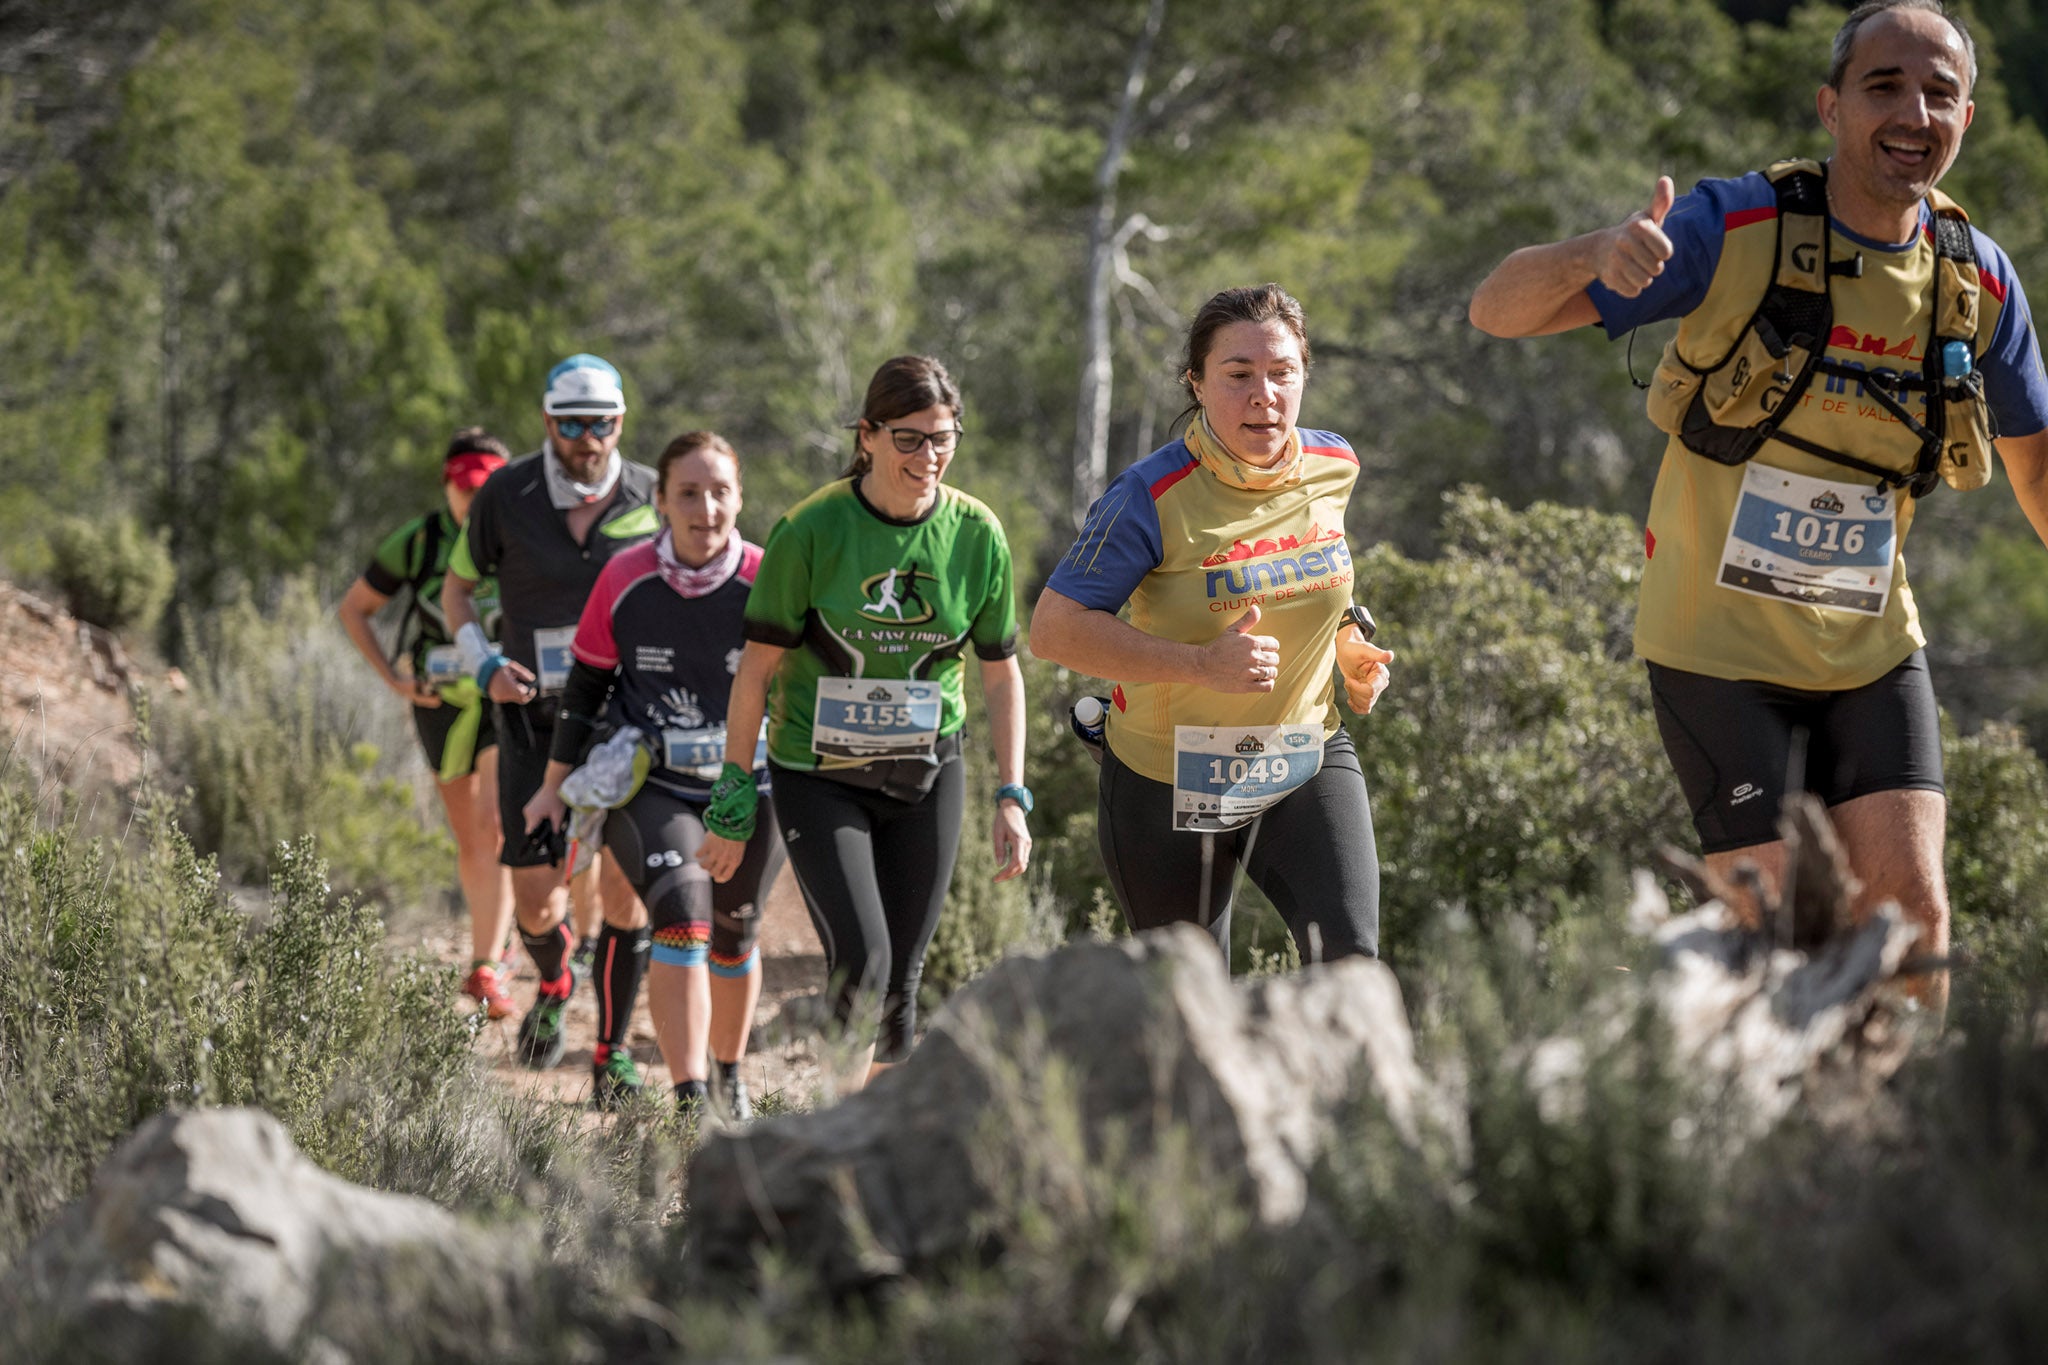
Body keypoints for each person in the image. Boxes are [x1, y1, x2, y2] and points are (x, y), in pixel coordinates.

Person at [1467, 0, 2048, 1009]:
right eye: (1882, 87)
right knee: (1778, 941)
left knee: (1912, 921)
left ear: (1964, 119)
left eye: (1938, 93)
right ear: (1829, 107)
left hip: (1868, 648)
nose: (1912, 111)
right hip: (1715, 654)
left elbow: (2035, 471)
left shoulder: (1976, 281)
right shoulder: (1734, 226)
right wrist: (1594, 252)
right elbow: (1494, 310)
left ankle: (1892, 1151)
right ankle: (1771, 1153)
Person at [1032, 284, 1395, 965]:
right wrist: (1200, 666)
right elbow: (1054, 629)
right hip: (1167, 780)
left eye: (1283, 372)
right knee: (1191, 1005)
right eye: (1238, 375)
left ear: (1305, 375)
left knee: (1353, 968)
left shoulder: (1333, 465)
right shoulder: (1149, 494)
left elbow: (1313, 581)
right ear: (1196, 383)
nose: (1265, 394)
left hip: (1301, 754)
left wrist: (1344, 643)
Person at [697, 355, 1030, 1091]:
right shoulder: (811, 530)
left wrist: (1013, 794)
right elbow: (754, 672)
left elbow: (1002, 674)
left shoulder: (976, 534)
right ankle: (841, 1131)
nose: (929, 457)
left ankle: (879, 1136)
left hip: (927, 766)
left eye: (943, 439)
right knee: (865, 955)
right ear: (869, 435)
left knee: (904, 974)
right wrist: (731, 796)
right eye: (910, 439)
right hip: (819, 772)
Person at [522, 432, 783, 1118]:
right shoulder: (625, 577)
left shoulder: (768, 576)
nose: (706, 508)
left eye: (720, 491)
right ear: (661, 500)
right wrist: (553, 786)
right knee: (682, 918)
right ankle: (690, 1094)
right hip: (656, 783)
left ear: (739, 498)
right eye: (688, 493)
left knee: (735, 936)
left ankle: (729, 1073)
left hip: (749, 786)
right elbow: (583, 691)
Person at [444, 354, 662, 1097]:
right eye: (570, 423)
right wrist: (482, 666)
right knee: (536, 897)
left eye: (600, 423)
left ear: (620, 422)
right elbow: (456, 592)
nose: (586, 438)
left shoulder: (649, 494)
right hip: (531, 720)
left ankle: (611, 1053)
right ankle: (555, 976)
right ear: (547, 421)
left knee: (627, 887)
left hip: (624, 720)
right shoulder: (506, 494)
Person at [338, 428, 518, 1017]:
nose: (474, 500)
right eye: (465, 489)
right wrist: (392, 677)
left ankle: (487, 964)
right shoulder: (418, 542)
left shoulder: (520, 535)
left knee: (495, 825)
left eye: (486, 488)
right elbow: (355, 608)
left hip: (504, 700)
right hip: (439, 704)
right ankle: (494, 948)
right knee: (470, 837)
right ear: (447, 485)